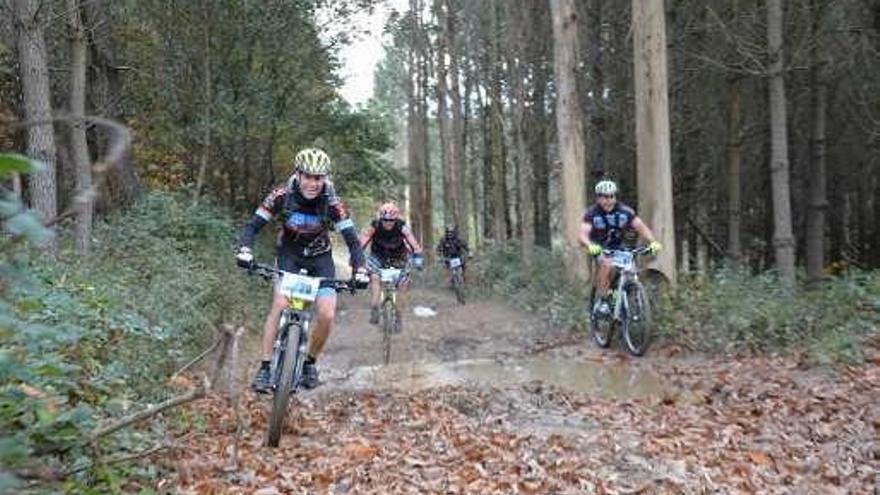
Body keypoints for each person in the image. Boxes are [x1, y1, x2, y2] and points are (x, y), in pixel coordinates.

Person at [235, 148, 369, 392]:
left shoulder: (333, 203)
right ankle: (265, 367)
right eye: (307, 176)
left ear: (325, 179)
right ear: (297, 174)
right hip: (289, 256)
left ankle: (309, 363)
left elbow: (352, 242)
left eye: (318, 178)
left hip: (320, 260)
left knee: (327, 314)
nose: (312, 183)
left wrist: (360, 269)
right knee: (280, 305)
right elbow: (252, 227)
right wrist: (245, 250)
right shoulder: (281, 196)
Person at [579, 179, 662, 317]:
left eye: (611, 196)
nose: (609, 200)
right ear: (598, 198)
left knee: (631, 269)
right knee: (607, 265)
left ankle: (626, 295)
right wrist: (590, 245)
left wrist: (653, 241)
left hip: (619, 247)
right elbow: (582, 235)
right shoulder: (592, 214)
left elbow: (641, 227)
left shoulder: (625, 211)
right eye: (605, 197)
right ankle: (603, 301)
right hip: (599, 247)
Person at [360, 202, 424, 331]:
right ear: (381, 218)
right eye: (385, 220)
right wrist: (357, 256)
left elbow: (413, 243)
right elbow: (363, 240)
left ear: (396, 219)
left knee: (403, 285)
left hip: (399, 258)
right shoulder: (375, 226)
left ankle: (399, 316)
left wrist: (418, 257)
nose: (388, 223)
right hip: (378, 257)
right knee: (375, 278)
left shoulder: (402, 227)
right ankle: (374, 307)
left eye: (391, 220)